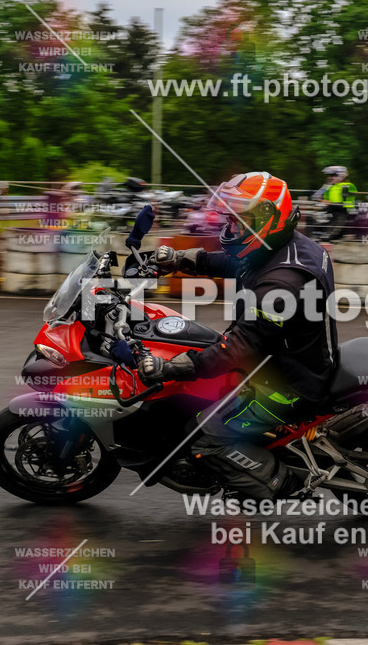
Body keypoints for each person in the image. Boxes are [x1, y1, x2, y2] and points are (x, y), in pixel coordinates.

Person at [130, 171, 340, 500]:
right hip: (288, 356)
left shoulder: (284, 282)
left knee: (204, 437)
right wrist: (183, 260)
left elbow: (242, 345)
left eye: (237, 221)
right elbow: (238, 263)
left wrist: (177, 367)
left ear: (266, 219)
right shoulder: (287, 248)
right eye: (229, 220)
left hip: (287, 384)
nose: (230, 229)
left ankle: (280, 484)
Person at [311, 166, 358, 240]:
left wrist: (333, 203)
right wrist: (323, 200)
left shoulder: (348, 185)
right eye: (329, 176)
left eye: (332, 175)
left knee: (336, 226)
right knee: (315, 215)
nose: (329, 178)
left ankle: (330, 236)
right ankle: (317, 234)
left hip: (344, 210)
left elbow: (348, 199)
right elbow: (316, 196)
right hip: (332, 208)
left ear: (340, 176)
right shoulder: (329, 186)